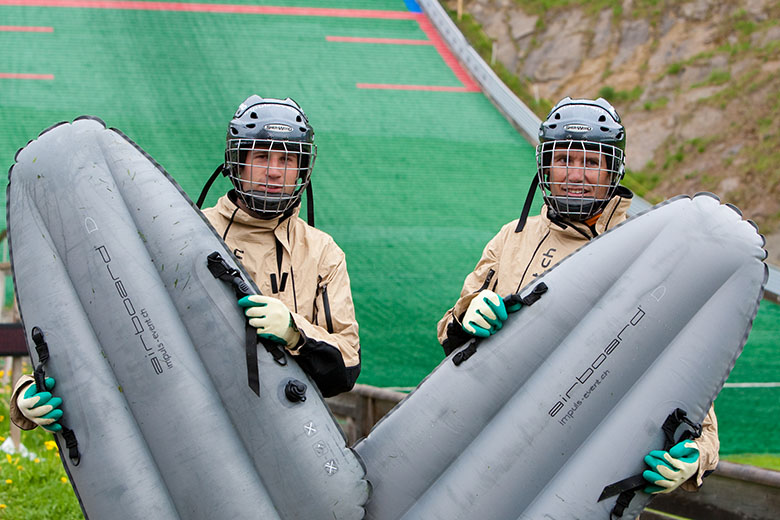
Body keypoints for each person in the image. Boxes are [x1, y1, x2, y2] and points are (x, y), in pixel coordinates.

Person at [11, 95, 361, 434]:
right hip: (191, 432)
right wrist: (32, 388)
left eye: (287, 160)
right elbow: (115, 319)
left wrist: (293, 331)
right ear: (236, 162)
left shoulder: (322, 253)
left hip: (294, 438)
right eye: (261, 156)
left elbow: (345, 370)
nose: (273, 172)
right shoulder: (181, 232)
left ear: (302, 169)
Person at [436, 97, 718, 497]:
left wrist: (697, 456)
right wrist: (466, 316)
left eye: (590, 161)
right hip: (496, 451)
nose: (576, 174)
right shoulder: (511, 238)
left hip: (590, 464)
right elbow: (449, 336)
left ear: (612, 170)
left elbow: (689, 378)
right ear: (545, 164)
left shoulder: (654, 252)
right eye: (564, 158)